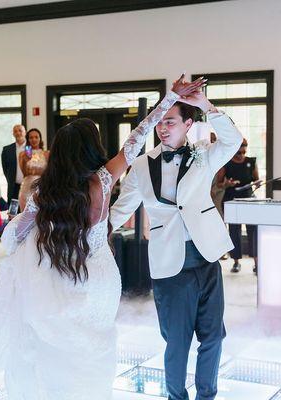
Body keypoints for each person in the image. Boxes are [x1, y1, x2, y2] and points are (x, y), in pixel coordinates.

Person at [0, 75, 205, 400]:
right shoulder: (102, 179)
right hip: (98, 279)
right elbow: (138, 137)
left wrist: (18, 225)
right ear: (90, 148)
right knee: (94, 353)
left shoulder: (44, 193)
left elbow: (14, 235)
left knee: (55, 355)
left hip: (57, 280)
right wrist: (169, 98)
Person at [110, 86, 243, 400]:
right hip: (170, 263)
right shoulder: (141, 167)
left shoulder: (204, 154)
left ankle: (206, 395)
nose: (163, 127)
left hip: (206, 256)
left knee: (213, 337)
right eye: (160, 121)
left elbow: (233, 140)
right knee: (177, 341)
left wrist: (206, 105)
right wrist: (89, 233)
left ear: (188, 124)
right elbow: (121, 209)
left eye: (171, 121)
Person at [216, 138, 259, 274]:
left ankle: (257, 262)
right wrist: (227, 184)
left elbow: (255, 179)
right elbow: (219, 184)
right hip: (231, 200)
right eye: (239, 151)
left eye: (244, 150)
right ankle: (236, 262)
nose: (241, 154)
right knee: (234, 230)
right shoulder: (226, 163)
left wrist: (257, 183)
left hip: (248, 200)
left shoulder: (251, 162)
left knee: (253, 230)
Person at [17, 128, 49, 210]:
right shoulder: (22, 154)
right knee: (26, 215)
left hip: (42, 187)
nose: (34, 139)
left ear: (40, 138)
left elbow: (49, 172)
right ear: (27, 139)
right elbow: (24, 173)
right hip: (27, 187)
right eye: (31, 137)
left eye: (36, 137)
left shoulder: (46, 154)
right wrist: (26, 159)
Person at [1, 125, 26, 206]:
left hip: (28, 186)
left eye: (20, 130)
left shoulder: (30, 148)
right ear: (13, 134)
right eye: (15, 131)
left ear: (25, 132)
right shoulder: (7, 150)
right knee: (13, 212)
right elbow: (5, 169)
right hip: (13, 187)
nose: (18, 133)